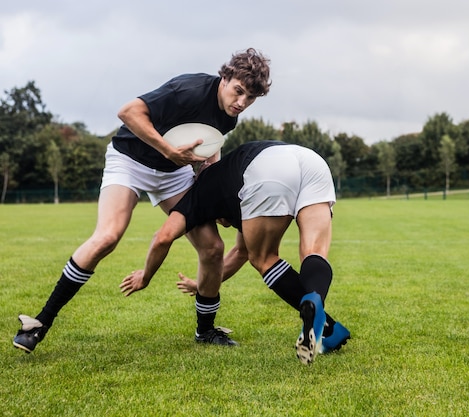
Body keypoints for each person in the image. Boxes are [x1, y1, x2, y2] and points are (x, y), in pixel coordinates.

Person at [13, 48, 272, 353]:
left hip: (173, 173)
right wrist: (167, 150)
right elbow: (128, 112)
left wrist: (209, 175)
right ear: (224, 78)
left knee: (213, 248)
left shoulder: (231, 117)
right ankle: (40, 323)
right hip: (130, 161)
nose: (241, 102)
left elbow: (210, 147)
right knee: (108, 236)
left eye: (250, 98)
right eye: (238, 91)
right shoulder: (188, 90)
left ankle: (206, 331)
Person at [119, 141, 350, 364]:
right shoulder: (231, 175)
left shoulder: (197, 194)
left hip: (265, 171)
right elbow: (240, 251)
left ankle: (321, 318)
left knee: (263, 258)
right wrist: (202, 284)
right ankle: (327, 324)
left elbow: (162, 238)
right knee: (313, 251)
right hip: (309, 161)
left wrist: (145, 276)